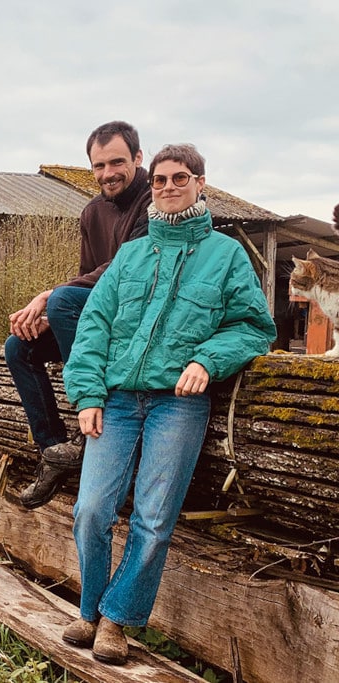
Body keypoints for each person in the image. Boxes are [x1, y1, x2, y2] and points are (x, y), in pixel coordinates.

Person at [60, 144, 276, 665]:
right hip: (115, 399)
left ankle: (116, 620)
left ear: (201, 183)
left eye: (180, 178)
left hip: (177, 406)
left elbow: (254, 326)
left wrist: (207, 359)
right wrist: (87, 393)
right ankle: (89, 609)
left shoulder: (226, 256)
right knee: (91, 509)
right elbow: (94, 327)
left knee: (154, 519)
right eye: (158, 180)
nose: (168, 187)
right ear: (150, 184)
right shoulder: (133, 254)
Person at [7, 121, 152, 509]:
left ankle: (92, 429)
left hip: (140, 323)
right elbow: (89, 278)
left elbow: (124, 271)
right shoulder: (92, 213)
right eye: (98, 166)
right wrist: (53, 312)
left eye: (117, 162)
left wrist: (51, 297)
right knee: (18, 347)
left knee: (61, 301)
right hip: (103, 316)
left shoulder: (155, 203)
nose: (108, 174)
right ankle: (55, 451)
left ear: (138, 158)